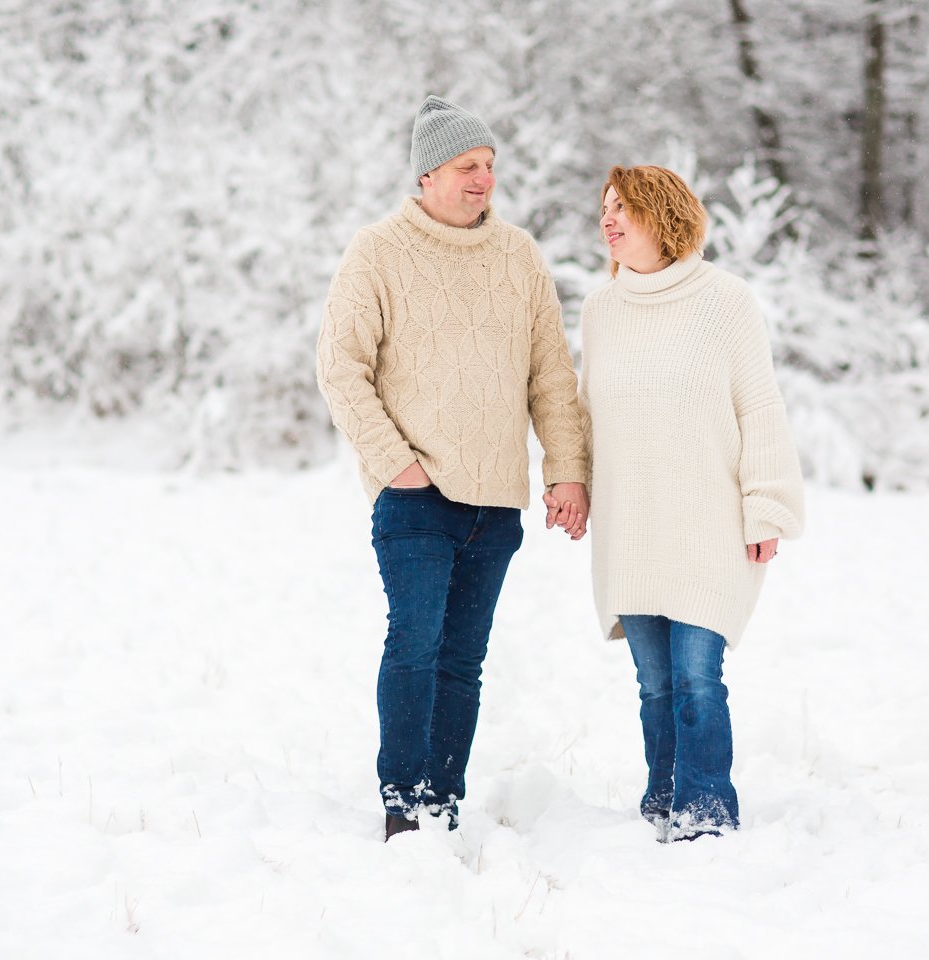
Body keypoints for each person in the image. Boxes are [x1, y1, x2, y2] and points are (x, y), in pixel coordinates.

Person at [317, 96, 590, 841]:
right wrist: (397, 466)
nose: (483, 180)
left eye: (491, 167)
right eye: (468, 167)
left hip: (495, 502)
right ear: (428, 174)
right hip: (415, 496)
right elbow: (342, 368)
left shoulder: (518, 256)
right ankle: (404, 802)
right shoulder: (377, 251)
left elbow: (551, 377)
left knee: (463, 660)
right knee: (415, 641)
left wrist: (566, 471)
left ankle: (444, 796)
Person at [554, 164, 804, 841]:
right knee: (655, 685)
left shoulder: (725, 300)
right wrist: (568, 480)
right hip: (631, 526)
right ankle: (662, 801)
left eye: (623, 208)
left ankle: (706, 811)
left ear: (663, 216)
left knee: (698, 679)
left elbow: (759, 405)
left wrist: (768, 505)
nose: (608, 220)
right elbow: (581, 412)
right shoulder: (601, 310)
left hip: (708, 524)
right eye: (603, 207)